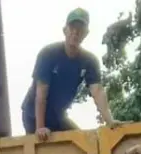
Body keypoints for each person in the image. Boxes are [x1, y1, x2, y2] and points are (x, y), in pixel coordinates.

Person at [21, 8, 120, 141]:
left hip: (57, 116)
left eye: (80, 29)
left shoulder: (89, 61)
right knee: (43, 148)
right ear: (65, 30)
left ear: (86, 33)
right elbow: (41, 94)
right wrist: (40, 128)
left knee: (84, 141)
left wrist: (110, 122)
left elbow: (97, 91)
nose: (75, 32)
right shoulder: (48, 54)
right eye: (72, 27)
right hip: (33, 115)